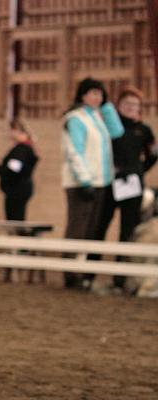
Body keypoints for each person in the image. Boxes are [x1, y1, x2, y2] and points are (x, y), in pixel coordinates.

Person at [90, 87, 157, 292]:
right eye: (127, 104)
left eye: (135, 104)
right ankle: (88, 274)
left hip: (132, 185)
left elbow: (153, 154)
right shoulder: (109, 127)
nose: (131, 107)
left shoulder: (144, 131)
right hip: (109, 182)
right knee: (100, 226)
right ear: (119, 106)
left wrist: (138, 170)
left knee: (128, 229)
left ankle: (120, 279)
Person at [60, 77, 124, 290]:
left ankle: (81, 272)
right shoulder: (75, 119)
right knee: (78, 228)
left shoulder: (96, 117)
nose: (97, 97)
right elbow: (74, 151)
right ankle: (71, 274)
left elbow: (117, 131)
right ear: (82, 95)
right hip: (82, 183)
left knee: (91, 230)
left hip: (100, 182)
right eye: (93, 93)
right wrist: (84, 179)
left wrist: (106, 106)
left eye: (100, 93)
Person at [0, 119, 38, 222]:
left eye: (11, 130)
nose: (10, 133)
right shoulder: (25, 148)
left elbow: (13, 171)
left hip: (17, 190)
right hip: (19, 189)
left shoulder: (21, 150)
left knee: (15, 220)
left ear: (17, 131)